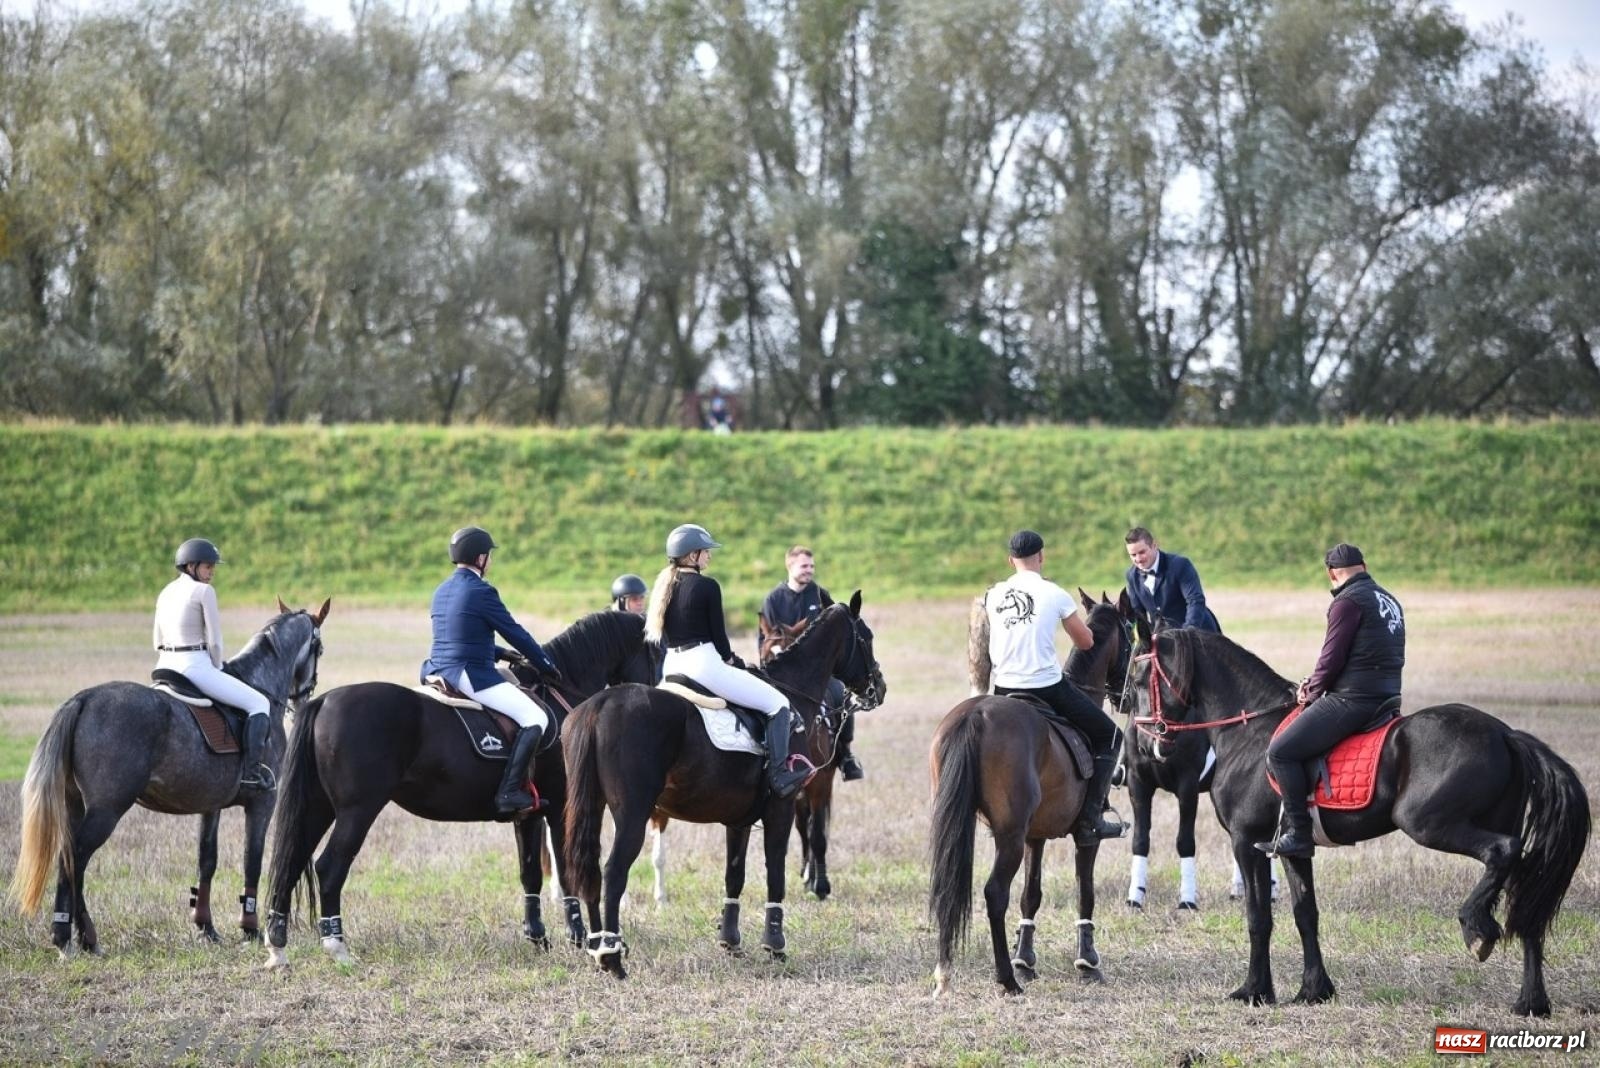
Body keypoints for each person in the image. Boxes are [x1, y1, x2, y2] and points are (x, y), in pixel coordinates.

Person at [1258, 543, 1405, 859]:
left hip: (1353, 700)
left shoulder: (1346, 602)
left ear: (1331, 573)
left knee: (1281, 752)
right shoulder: (1389, 599)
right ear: (1364, 567)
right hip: (1388, 697)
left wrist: (1311, 693)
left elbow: (1331, 659)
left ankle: (1299, 834)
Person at [646, 523, 812, 799]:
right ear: (692, 555)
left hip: (672, 667)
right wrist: (731, 660)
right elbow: (719, 639)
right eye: (706, 551)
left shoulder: (664, 587)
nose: (709, 556)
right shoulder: (707, 586)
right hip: (704, 666)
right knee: (778, 704)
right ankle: (780, 776)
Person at [984, 530, 1124, 839]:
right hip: (1046, 686)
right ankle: (1091, 821)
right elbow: (1086, 642)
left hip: (1003, 688)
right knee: (1111, 736)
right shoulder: (1055, 593)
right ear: (1041, 556)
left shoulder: (992, 595)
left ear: (1010, 561)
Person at [421, 526, 565, 815]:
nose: (491, 561)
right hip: (468, 674)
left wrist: (501, 653)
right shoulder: (482, 591)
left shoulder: (441, 591)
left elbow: (460, 635)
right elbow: (515, 632)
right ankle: (509, 792)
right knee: (535, 717)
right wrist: (546, 664)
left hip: (435, 670)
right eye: (489, 555)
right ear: (481, 558)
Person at [154, 538, 273, 791]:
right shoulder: (204, 592)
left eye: (213, 567)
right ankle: (251, 775)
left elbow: (157, 641)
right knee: (259, 704)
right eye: (208, 566)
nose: (212, 572)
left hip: (164, 667)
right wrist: (217, 665)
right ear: (191, 566)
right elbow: (215, 642)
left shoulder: (165, 592)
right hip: (194, 667)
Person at [761, 545, 864, 781]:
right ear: (790, 566)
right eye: (804, 566)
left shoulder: (820, 595)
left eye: (812, 566)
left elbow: (831, 633)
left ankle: (845, 755)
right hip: (783, 673)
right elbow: (764, 637)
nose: (809, 570)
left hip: (817, 672)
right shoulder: (773, 599)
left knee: (841, 694)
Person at [1123, 527, 1221, 632]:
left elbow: (1195, 600)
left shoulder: (1180, 565)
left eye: (1142, 552)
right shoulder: (1131, 575)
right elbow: (1138, 613)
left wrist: (1188, 632)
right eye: (1133, 555)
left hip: (1199, 632)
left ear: (1154, 545)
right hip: (1163, 637)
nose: (1138, 559)